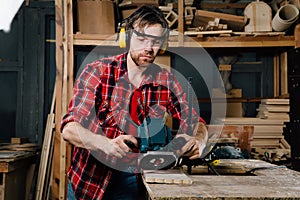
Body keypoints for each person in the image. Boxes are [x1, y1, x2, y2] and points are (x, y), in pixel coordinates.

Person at [61, 5, 208, 200]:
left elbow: (196, 122)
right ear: (127, 38)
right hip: (90, 179)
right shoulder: (97, 72)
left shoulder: (167, 81)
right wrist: (105, 144)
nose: (148, 47)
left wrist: (198, 141)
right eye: (142, 39)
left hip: (134, 178)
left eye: (155, 41)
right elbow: (69, 128)